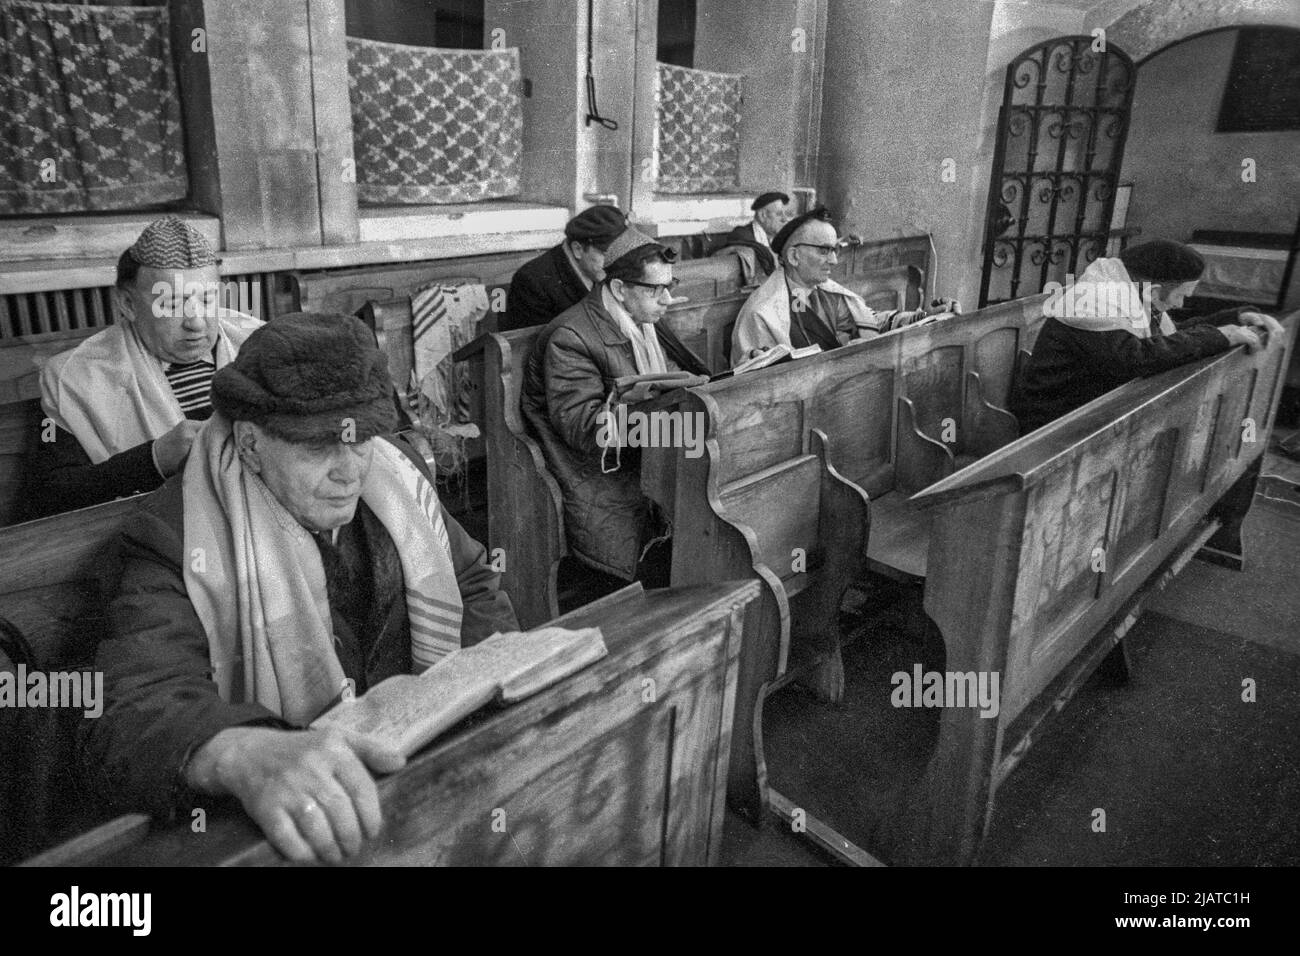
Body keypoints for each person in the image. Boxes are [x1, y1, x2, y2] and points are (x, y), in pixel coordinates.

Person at [82, 313, 518, 865]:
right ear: (251, 444)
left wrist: (477, 693)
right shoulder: (178, 533)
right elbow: (137, 702)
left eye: (361, 441)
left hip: (429, 777)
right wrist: (241, 750)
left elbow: (473, 582)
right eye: (318, 448)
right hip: (296, 830)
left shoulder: (396, 476)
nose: (349, 471)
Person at [28, 216, 262, 519]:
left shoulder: (260, 342)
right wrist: (154, 458)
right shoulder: (74, 377)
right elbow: (52, 494)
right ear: (127, 304)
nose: (196, 323)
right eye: (172, 304)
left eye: (208, 299)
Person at [520, 227, 709, 594]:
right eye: (655, 290)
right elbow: (585, 431)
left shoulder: (642, 322)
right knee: (702, 475)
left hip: (640, 457)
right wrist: (646, 408)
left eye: (669, 286)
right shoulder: (570, 338)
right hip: (598, 478)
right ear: (620, 289)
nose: (667, 299)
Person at [1011, 239, 1284, 434]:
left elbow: (1169, 335)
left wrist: (1235, 318)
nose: (1179, 304)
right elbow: (1138, 357)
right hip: (1055, 423)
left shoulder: (1129, 288)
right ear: (1154, 292)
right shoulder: (1093, 300)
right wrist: (1220, 336)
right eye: (1180, 295)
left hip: (1093, 409)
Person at [730, 206, 957, 362]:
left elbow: (872, 322)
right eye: (824, 251)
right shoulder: (763, 313)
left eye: (835, 250)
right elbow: (761, 384)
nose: (834, 260)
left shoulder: (826, 294)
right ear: (794, 257)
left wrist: (925, 315)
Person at [502, 204, 628, 331]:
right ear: (577, 249)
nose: (615, 263)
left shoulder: (601, 269)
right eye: (606, 254)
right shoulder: (532, 282)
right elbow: (537, 346)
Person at [715, 191, 793, 276]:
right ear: (762, 215)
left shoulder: (780, 239)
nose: (785, 219)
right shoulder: (741, 236)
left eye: (787, 214)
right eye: (778, 214)